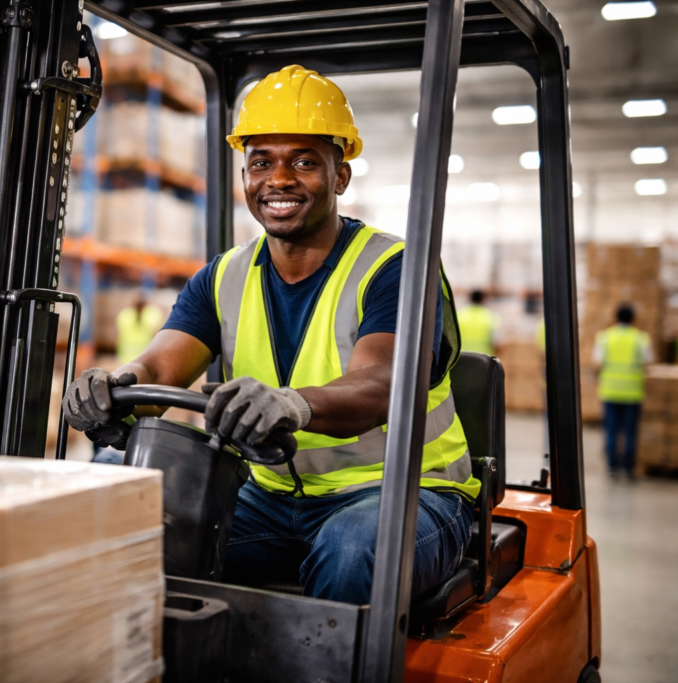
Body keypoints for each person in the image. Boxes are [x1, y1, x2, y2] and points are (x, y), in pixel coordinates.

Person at [62, 65, 478, 605]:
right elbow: (161, 368)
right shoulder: (224, 275)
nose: (279, 179)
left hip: (405, 493)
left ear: (340, 176)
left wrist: (291, 405)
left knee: (353, 548)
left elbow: (383, 384)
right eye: (262, 162)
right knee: (124, 505)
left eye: (303, 162)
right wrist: (113, 387)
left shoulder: (395, 266)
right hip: (272, 496)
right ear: (244, 179)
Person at [594, 303, 651, 479]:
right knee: (629, 432)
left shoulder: (604, 337)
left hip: (610, 390)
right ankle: (628, 469)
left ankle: (612, 468)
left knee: (611, 430)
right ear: (634, 318)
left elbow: (597, 363)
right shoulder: (641, 338)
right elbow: (647, 363)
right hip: (632, 392)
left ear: (615, 317)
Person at [116, 297, 163, 365]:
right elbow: (158, 337)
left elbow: (118, 337)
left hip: (126, 357)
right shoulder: (152, 315)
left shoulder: (125, 315)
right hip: (145, 358)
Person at [457, 290, 499, 356]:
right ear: (483, 300)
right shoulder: (490, 316)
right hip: (484, 360)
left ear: (470, 299)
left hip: (461, 358)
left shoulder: (459, 315)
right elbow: (497, 344)